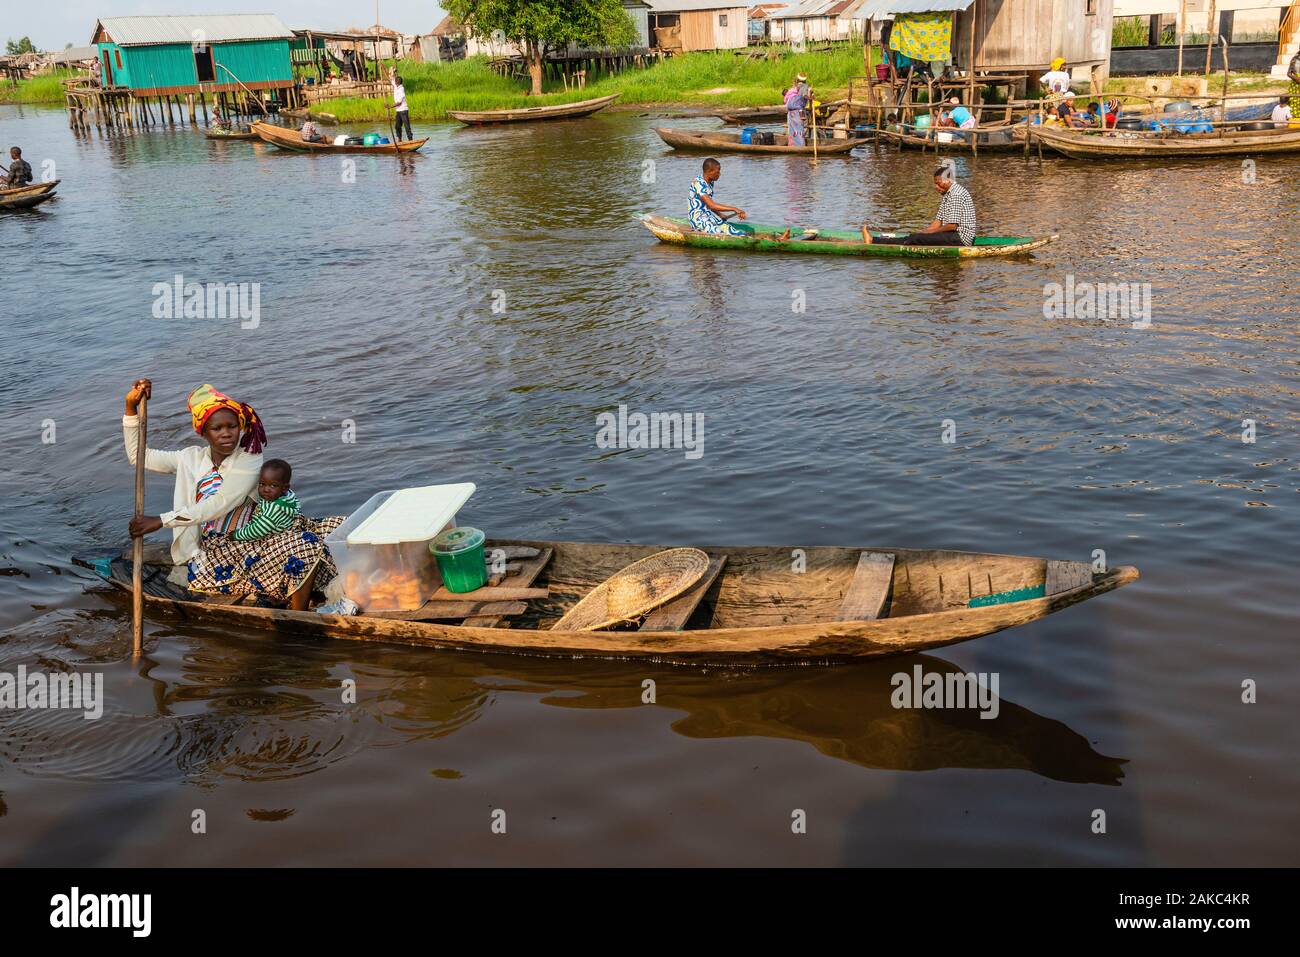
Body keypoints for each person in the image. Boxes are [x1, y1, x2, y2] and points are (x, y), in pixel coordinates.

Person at [123, 380, 344, 611]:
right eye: (217, 429)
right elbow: (138, 456)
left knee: (338, 527)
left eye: (232, 427)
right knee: (303, 548)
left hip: (254, 534)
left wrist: (161, 520)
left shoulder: (249, 458)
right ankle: (298, 615)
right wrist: (130, 409)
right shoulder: (190, 458)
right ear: (203, 433)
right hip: (220, 548)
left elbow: (219, 504)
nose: (226, 434)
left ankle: (304, 599)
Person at [862, 166, 977, 247]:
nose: (936, 186)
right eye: (935, 183)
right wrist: (925, 231)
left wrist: (929, 233)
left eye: (938, 183)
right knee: (917, 236)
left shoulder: (956, 194)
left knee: (915, 238)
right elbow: (939, 220)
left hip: (961, 238)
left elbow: (952, 226)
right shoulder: (948, 194)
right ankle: (877, 240)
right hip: (952, 235)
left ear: (948, 181)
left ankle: (873, 241)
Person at [231, 460, 300, 542]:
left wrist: (237, 535)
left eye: (273, 485)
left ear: (285, 488)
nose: (266, 489)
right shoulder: (286, 495)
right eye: (262, 484)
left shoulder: (276, 509)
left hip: (271, 537)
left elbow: (258, 530)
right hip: (265, 527)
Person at [688, 158, 748, 236]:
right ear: (709, 172)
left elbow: (707, 205)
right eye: (717, 172)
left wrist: (720, 215)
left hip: (708, 216)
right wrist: (734, 208)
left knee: (731, 230)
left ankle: (743, 237)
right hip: (698, 220)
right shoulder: (699, 183)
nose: (719, 174)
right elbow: (711, 205)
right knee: (720, 233)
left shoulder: (710, 182)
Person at [784, 73, 809, 146]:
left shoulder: (793, 89)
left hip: (791, 111)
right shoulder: (804, 86)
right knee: (799, 128)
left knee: (793, 129)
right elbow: (804, 95)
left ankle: (793, 145)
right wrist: (811, 98)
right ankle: (800, 145)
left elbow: (787, 99)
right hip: (797, 111)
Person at [389, 67, 412, 142]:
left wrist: (390, 107)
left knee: (406, 126)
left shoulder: (401, 89)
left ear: (397, 82)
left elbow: (399, 103)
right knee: (397, 126)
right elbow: (390, 77)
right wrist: (382, 67)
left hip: (403, 110)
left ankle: (410, 140)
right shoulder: (396, 86)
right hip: (398, 111)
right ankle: (399, 139)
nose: (394, 81)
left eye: (395, 80)